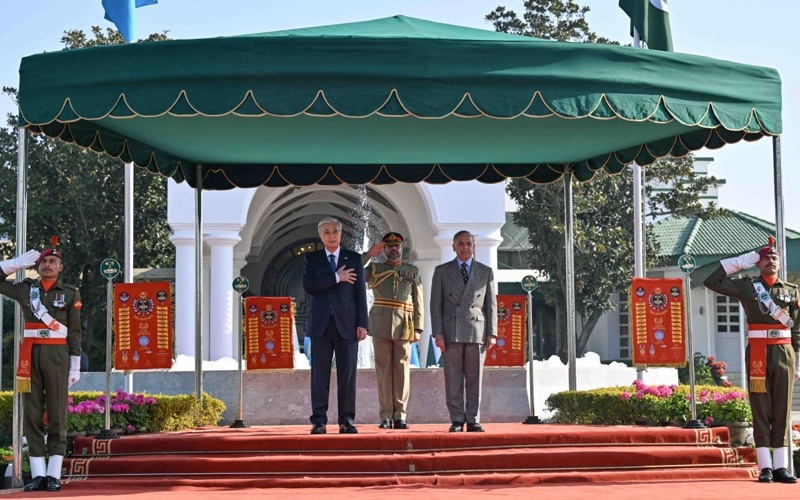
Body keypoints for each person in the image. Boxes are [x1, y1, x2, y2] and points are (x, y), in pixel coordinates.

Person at [703, 237, 799, 484]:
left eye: (774, 257)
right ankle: (765, 467)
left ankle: (781, 466)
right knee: (760, 409)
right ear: (758, 263)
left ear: (779, 263)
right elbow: (711, 281)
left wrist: (798, 359)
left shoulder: (791, 290)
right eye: (765, 258)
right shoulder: (748, 286)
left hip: (784, 352)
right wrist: (738, 263)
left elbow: (796, 328)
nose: (770, 261)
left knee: (782, 410)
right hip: (757, 350)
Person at [0, 241, 82, 492]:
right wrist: (14, 265)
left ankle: (53, 474)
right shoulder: (26, 289)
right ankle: (37, 475)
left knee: (57, 413)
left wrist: (74, 364)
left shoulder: (70, 292)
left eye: (52, 262)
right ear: (37, 265)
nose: (48, 265)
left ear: (60, 267)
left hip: (57, 355)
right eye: (44, 261)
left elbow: (75, 330)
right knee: (32, 414)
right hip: (30, 354)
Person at [303, 217, 368, 435]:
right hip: (321, 325)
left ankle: (346, 419)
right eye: (327, 232)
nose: (332, 235)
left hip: (347, 325)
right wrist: (336, 277)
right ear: (320, 236)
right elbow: (310, 287)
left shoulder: (354, 259)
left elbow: (360, 294)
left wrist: (362, 324)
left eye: (335, 231)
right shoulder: (312, 259)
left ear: (340, 234)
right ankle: (319, 420)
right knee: (319, 374)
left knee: (347, 373)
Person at [430, 230, 497, 432]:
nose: (465, 247)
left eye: (468, 243)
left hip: (477, 330)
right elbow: (435, 305)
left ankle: (473, 418)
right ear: (453, 247)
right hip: (451, 331)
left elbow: (491, 304)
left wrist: (492, 333)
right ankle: (457, 419)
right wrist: (438, 334)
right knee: (453, 377)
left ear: (474, 246)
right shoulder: (442, 271)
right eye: (460, 243)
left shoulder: (485, 271)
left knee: (475, 378)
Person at [363, 232, 423, 430]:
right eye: (389, 247)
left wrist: (418, 328)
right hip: (380, 323)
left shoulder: (412, 271)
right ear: (385, 249)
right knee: (383, 370)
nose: (393, 249)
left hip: (404, 325)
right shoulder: (375, 268)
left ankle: (401, 415)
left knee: (402, 371)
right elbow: (354, 270)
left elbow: (418, 301)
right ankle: (386, 415)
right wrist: (370, 253)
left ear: (401, 248)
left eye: (396, 246)